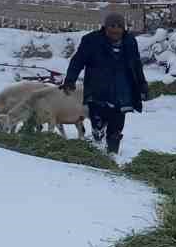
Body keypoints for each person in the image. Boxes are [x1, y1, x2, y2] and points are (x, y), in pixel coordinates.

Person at [61, 10, 148, 154]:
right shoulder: (91, 41)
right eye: (111, 26)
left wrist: (142, 84)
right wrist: (70, 80)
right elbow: (77, 61)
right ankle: (97, 135)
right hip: (98, 89)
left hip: (122, 90)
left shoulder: (130, 42)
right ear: (105, 27)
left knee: (117, 125)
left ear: (123, 28)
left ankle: (112, 155)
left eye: (119, 26)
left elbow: (136, 64)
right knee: (98, 120)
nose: (115, 30)